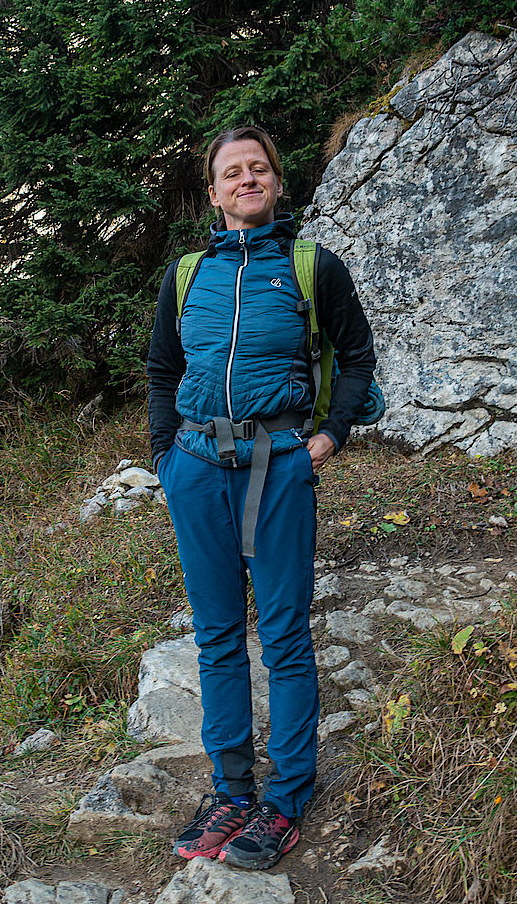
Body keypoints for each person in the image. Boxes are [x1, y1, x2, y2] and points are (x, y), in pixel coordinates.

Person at [146, 125, 376, 869]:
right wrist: (163, 458)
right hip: (195, 466)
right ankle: (231, 792)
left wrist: (330, 435)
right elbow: (160, 368)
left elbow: (358, 354)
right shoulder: (185, 275)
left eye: (259, 169)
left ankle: (285, 802)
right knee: (215, 636)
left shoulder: (311, 267)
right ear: (212, 194)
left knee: (281, 636)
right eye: (231, 172)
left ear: (276, 182)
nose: (247, 179)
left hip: (278, 466)